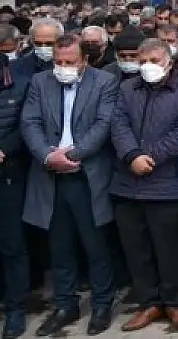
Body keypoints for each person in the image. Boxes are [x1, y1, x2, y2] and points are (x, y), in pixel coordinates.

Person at [21, 34, 118, 336]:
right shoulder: (40, 82)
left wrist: (72, 155)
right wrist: (49, 157)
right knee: (58, 245)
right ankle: (65, 304)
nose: (62, 67)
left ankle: (102, 303)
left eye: (69, 62)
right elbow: (29, 122)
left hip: (86, 174)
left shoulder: (104, 82)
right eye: (58, 62)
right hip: (51, 175)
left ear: (85, 61)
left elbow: (103, 125)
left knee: (95, 244)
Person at [110, 38, 178, 331]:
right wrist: (132, 155)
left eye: (153, 61)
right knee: (137, 249)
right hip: (127, 183)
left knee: (168, 248)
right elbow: (118, 125)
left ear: (169, 62)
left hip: (166, 183)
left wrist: (151, 157)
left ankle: (174, 303)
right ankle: (149, 303)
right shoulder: (126, 89)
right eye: (142, 61)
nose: (147, 67)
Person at [0, 47, 30, 339]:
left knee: (12, 246)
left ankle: (15, 309)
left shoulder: (19, 84)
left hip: (7, 175)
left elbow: (26, 125)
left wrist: (4, 149)